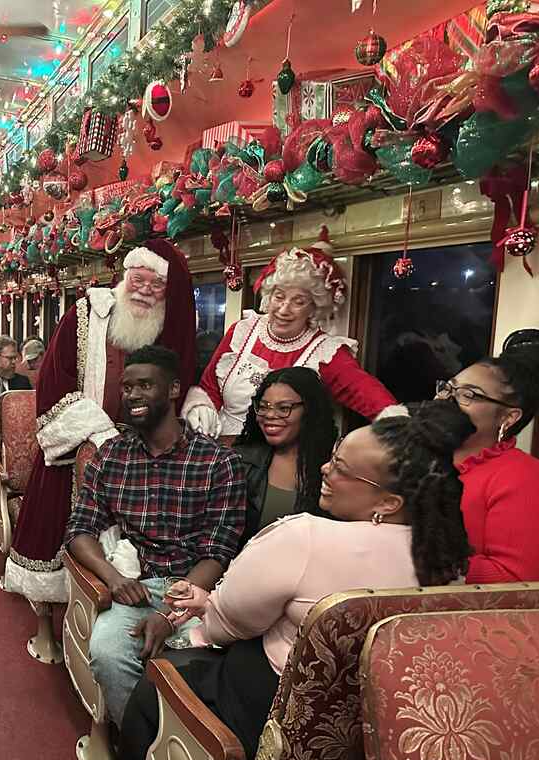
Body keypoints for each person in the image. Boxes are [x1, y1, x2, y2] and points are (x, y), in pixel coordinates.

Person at [96, 401, 473, 760]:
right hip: (381, 725)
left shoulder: (305, 538)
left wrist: (204, 609)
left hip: (275, 712)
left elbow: (228, 622)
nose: (326, 470)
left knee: (159, 682)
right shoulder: (445, 560)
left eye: (343, 469)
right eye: (333, 456)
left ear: (388, 503)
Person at [1, 242, 199, 606]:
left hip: (149, 461)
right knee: (58, 541)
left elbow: (184, 378)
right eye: (138, 279)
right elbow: (53, 383)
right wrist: (101, 435)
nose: (144, 290)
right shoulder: (86, 314)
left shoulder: (170, 326)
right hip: (79, 451)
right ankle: (55, 621)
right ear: (125, 276)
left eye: (156, 285)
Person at [65, 346, 246, 725]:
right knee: (108, 653)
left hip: (198, 590)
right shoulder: (111, 455)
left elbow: (218, 550)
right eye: (127, 387)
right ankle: (139, 753)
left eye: (145, 385)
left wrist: (171, 613)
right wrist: (115, 579)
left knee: (209, 668)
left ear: (174, 389)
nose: (132, 395)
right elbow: (80, 529)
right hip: (136, 584)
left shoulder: (217, 461)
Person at [183, 228, 404, 440]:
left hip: (277, 464)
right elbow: (209, 386)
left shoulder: (325, 352)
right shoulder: (242, 331)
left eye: (299, 301)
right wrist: (201, 409)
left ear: (314, 307)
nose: (284, 309)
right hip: (222, 449)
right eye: (279, 297)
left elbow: (365, 392)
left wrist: (399, 428)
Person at [436, 328, 539, 583]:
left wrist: (409, 554)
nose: (445, 398)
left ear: (508, 417)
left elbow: (518, 581)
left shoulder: (529, 480)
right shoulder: (416, 456)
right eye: (448, 388)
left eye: (468, 394)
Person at [234, 367, 336, 543]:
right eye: (264, 407)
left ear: (310, 411)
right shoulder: (240, 462)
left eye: (284, 408)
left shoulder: (333, 467)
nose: (270, 415)